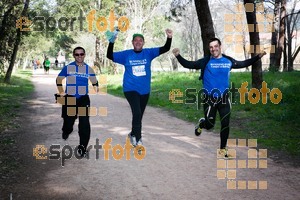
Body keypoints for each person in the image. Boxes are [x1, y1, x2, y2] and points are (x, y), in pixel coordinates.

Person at [172, 38, 266, 157]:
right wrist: (178, 55)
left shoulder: (228, 61)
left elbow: (243, 63)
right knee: (210, 125)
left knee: (225, 123)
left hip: (224, 98)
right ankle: (202, 123)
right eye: (211, 47)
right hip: (209, 98)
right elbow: (189, 64)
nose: (213, 49)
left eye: (215, 46)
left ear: (220, 46)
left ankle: (222, 150)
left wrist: (257, 57)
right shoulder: (205, 62)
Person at [107, 29, 173, 147]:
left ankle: (132, 133)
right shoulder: (126, 55)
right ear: (132, 42)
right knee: (137, 113)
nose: (138, 42)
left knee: (139, 115)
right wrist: (111, 42)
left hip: (145, 90)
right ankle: (138, 139)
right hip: (130, 89)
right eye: (136, 40)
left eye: (140, 40)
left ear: (143, 43)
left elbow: (165, 48)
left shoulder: (149, 53)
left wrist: (169, 37)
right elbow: (109, 55)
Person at [56, 47, 99, 157]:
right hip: (70, 98)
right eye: (77, 54)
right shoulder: (68, 67)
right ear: (74, 55)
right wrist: (61, 92)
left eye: (81, 54)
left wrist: (96, 87)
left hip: (83, 98)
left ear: (84, 55)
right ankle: (66, 131)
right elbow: (59, 79)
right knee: (68, 122)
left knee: (84, 123)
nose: (79, 56)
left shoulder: (88, 69)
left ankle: (82, 148)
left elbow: (94, 81)